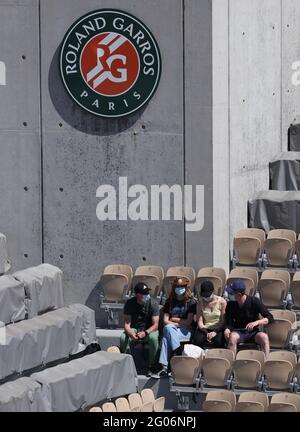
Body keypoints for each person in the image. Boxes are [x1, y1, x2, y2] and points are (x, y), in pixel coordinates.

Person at [152, 277, 196, 378]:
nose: (179, 288)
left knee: (167, 333)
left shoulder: (191, 302)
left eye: (181, 287)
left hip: (186, 331)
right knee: (166, 335)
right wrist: (177, 323)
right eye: (177, 286)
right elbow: (165, 321)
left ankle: (164, 367)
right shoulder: (170, 301)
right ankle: (176, 353)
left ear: (185, 287)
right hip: (174, 330)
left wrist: (174, 320)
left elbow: (189, 322)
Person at [224, 280, 274, 356]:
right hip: (239, 332)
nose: (229, 295)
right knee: (233, 337)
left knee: (264, 337)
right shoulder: (231, 305)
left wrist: (256, 322)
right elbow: (229, 321)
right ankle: (231, 362)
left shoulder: (254, 301)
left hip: (253, 333)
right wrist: (227, 329)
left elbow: (270, 317)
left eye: (231, 293)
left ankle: (265, 361)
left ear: (239, 294)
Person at [120, 282, 159, 375]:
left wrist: (145, 333)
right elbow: (127, 324)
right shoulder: (130, 303)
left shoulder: (153, 303)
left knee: (153, 338)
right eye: (144, 294)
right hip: (134, 329)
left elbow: (155, 325)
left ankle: (152, 366)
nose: (147, 296)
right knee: (123, 338)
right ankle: (123, 364)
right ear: (137, 295)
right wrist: (130, 334)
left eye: (147, 293)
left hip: (149, 330)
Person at [192, 280, 227, 349]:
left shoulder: (222, 302)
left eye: (207, 295)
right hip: (205, 328)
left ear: (213, 292)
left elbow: (223, 321)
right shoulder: (200, 303)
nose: (206, 297)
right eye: (204, 295)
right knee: (197, 341)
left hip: (218, 328)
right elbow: (200, 321)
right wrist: (206, 332)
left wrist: (215, 332)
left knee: (219, 341)